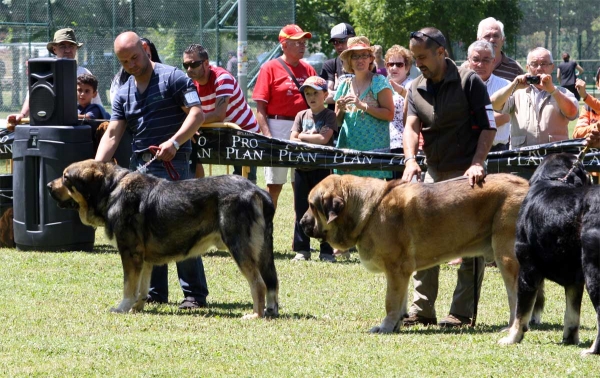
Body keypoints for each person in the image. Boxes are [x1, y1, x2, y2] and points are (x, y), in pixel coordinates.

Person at [95, 31, 209, 310]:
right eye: (124, 62)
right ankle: (156, 293)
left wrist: (174, 142)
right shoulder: (123, 92)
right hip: (140, 169)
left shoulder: (174, 78)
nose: (131, 64)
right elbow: (112, 134)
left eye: (134, 57)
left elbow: (197, 113)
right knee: (147, 230)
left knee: (181, 226)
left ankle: (194, 294)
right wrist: (95, 169)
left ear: (145, 49)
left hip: (175, 163)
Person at [401, 27, 497, 328]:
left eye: (423, 57)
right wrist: (410, 160)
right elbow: (411, 127)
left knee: (470, 245)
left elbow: (488, 127)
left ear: (441, 52)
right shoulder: (416, 87)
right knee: (422, 240)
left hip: (467, 174)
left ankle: (461, 312)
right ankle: (421, 310)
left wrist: (478, 163)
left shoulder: (470, 82)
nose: (419, 64)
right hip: (433, 173)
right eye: (415, 59)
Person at [252, 24, 316, 210]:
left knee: (301, 185)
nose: (303, 45)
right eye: (297, 42)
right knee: (274, 185)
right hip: (277, 126)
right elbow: (261, 108)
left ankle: (299, 237)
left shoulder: (308, 69)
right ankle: (266, 231)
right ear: (284, 44)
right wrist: (268, 137)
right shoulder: (270, 68)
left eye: (304, 42)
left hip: (304, 129)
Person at [183, 44, 259, 183]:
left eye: (193, 64)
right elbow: (186, 112)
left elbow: (219, 115)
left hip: (243, 133)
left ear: (206, 63)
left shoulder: (222, 78)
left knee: (246, 183)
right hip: (219, 133)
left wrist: (192, 124)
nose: (189, 69)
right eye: (185, 65)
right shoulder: (189, 83)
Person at [6, 28, 103, 127]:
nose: (68, 50)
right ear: (54, 49)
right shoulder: (43, 72)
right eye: (62, 46)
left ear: (76, 49)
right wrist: (21, 115)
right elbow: (33, 97)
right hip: (48, 125)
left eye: (71, 46)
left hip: (77, 129)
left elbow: (97, 106)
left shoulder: (84, 73)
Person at [289, 76, 337, 262]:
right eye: (307, 94)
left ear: (325, 94)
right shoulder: (301, 115)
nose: (311, 97)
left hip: (322, 169)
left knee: (324, 209)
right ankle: (302, 248)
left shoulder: (329, 115)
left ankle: (326, 250)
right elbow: (292, 138)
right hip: (301, 168)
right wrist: (308, 135)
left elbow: (324, 139)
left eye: (315, 93)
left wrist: (304, 135)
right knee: (301, 208)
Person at [490, 47, 579, 149]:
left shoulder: (562, 93)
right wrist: (513, 85)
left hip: (554, 158)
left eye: (544, 63)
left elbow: (572, 113)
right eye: (534, 64)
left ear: (552, 67)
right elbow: (494, 104)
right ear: (527, 68)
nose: (539, 68)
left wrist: (553, 91)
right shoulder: (517, 92)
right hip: (522, 159)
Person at [334, 36, 394, 180]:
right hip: (348, 149)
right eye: (355, 56)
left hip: (373, 153)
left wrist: (363, 106)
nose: (360, 60)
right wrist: (341, 110)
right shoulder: (344, 84)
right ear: (349, 61)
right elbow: (336, 122)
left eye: (364, 55)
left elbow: (389, 114)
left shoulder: (378, 81)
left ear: (370, 59)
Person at [466, 41, 511, 152]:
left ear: (493, 61)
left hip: (497, 149)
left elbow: (506, 116)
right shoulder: (458, 85)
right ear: (468, 60)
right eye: (476, 60)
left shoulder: (505, 86)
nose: (480, 65)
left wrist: (471, 120)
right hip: (466, 150)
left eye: (486, 60)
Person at [385, 44, 413, 180]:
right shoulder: (382, 85)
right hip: (385, 144)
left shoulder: (412, 84)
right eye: (390, 64)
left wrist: (401, 91)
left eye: (399, 64)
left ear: (407, 67)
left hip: (405, 144)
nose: (394, 68)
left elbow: (416, 100)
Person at [320, 23, 356, 109]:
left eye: (342, 41)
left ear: (353, 39)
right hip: (336, 119)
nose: (339, 46)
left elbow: (369, 98)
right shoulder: (330, 65)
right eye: (335, 42)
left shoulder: (365, 64)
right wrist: (355, 94)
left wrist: (337, 92)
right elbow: (327, 97)